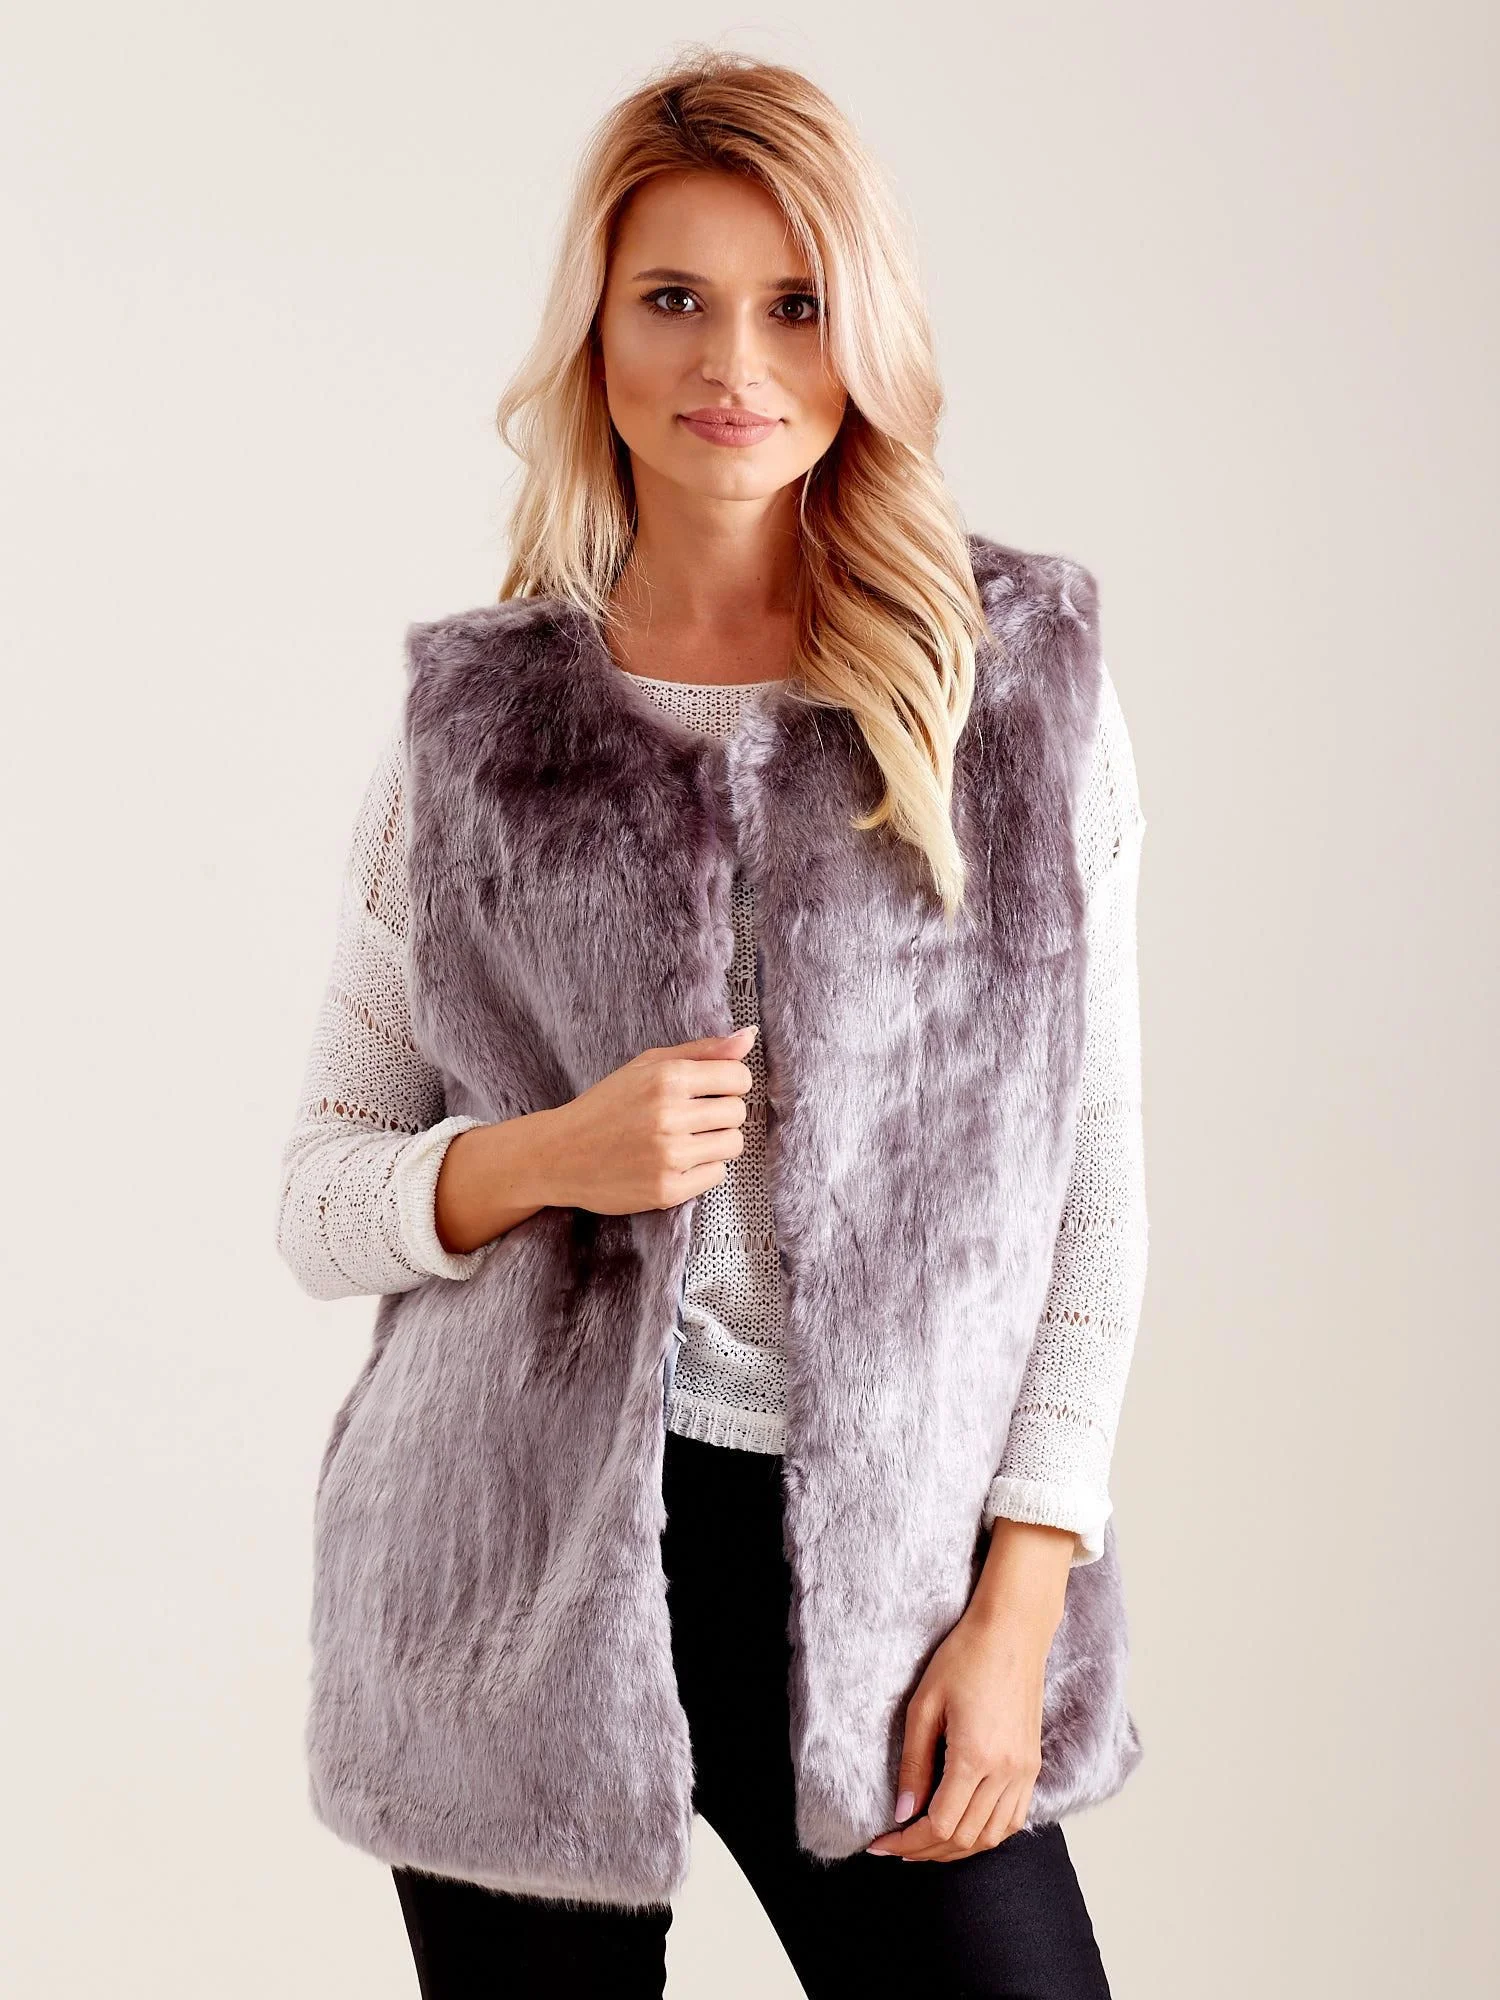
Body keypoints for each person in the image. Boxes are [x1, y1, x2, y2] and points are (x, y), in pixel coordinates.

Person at [276, 47, 1148, 2000]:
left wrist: (1021, 1596)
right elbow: (322, 1191)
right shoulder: (477, 729)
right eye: (672, 296)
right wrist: (546, 1157)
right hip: (509, 1574)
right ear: (595, 334)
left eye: (794, 303)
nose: (731, 361)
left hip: (886, 1580)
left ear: (866, 330)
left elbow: (1094, 1194)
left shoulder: (1015, 693)